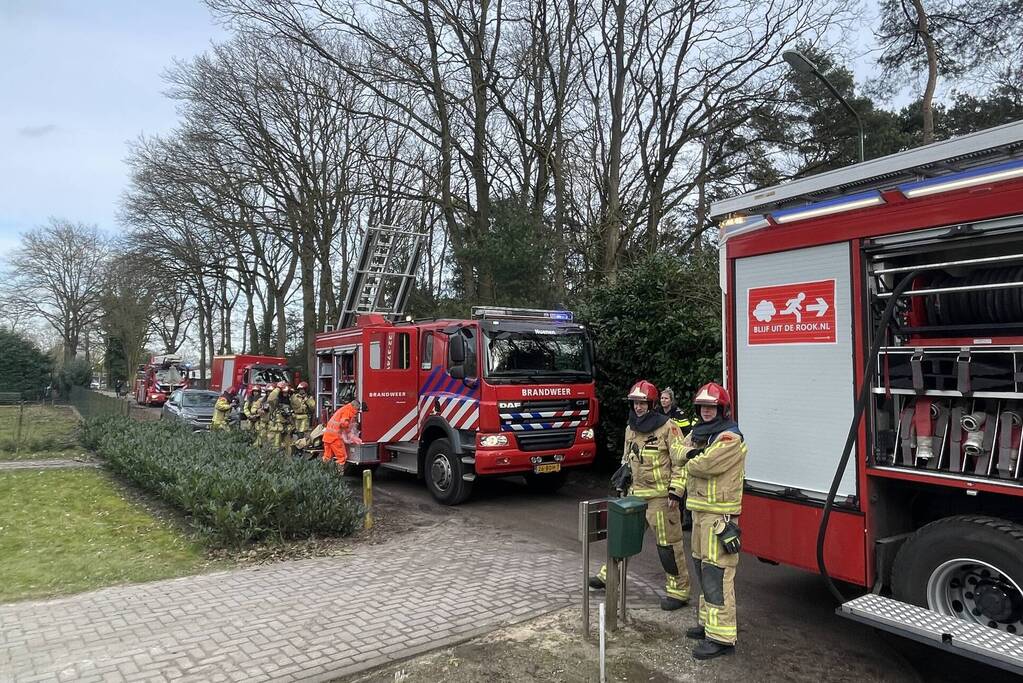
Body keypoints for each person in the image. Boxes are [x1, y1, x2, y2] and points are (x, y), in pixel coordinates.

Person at [589, 380, 691, 611]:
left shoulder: (669, 428)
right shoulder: (630, 428)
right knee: (621, 540)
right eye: (635, 402)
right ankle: (609, 577)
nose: (638, 407)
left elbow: (679, 462)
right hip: (634, 496)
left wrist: (676, 492)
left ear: (651, 403)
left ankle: (679, 592)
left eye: (642, 402)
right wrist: (622, 480)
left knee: (668, 546)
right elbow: (627, 458)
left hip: (661, 499)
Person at [680, 382, 747, 660]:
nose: (707, 412)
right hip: (698, 513)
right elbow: (676, 452)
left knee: (718, 574)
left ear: (722, 409)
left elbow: (703, 465)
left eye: (712, 407)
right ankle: (709, 624)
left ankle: (722, 638)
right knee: (703, 568)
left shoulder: (730, 438)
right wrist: (688, 454)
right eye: (703, 407)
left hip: (718, 516)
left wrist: (688, 456)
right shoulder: (699, 433)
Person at [322, 399, 361, 468]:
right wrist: (349, 428)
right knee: (342, 457)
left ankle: (323, 471)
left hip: (327, 436)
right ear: (355, 406)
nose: (357, 411)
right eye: (357, 409)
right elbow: (343, 423)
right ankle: (338, 474)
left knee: (327, 456)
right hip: (335, 438)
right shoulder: (348, 411)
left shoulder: (344, 409)